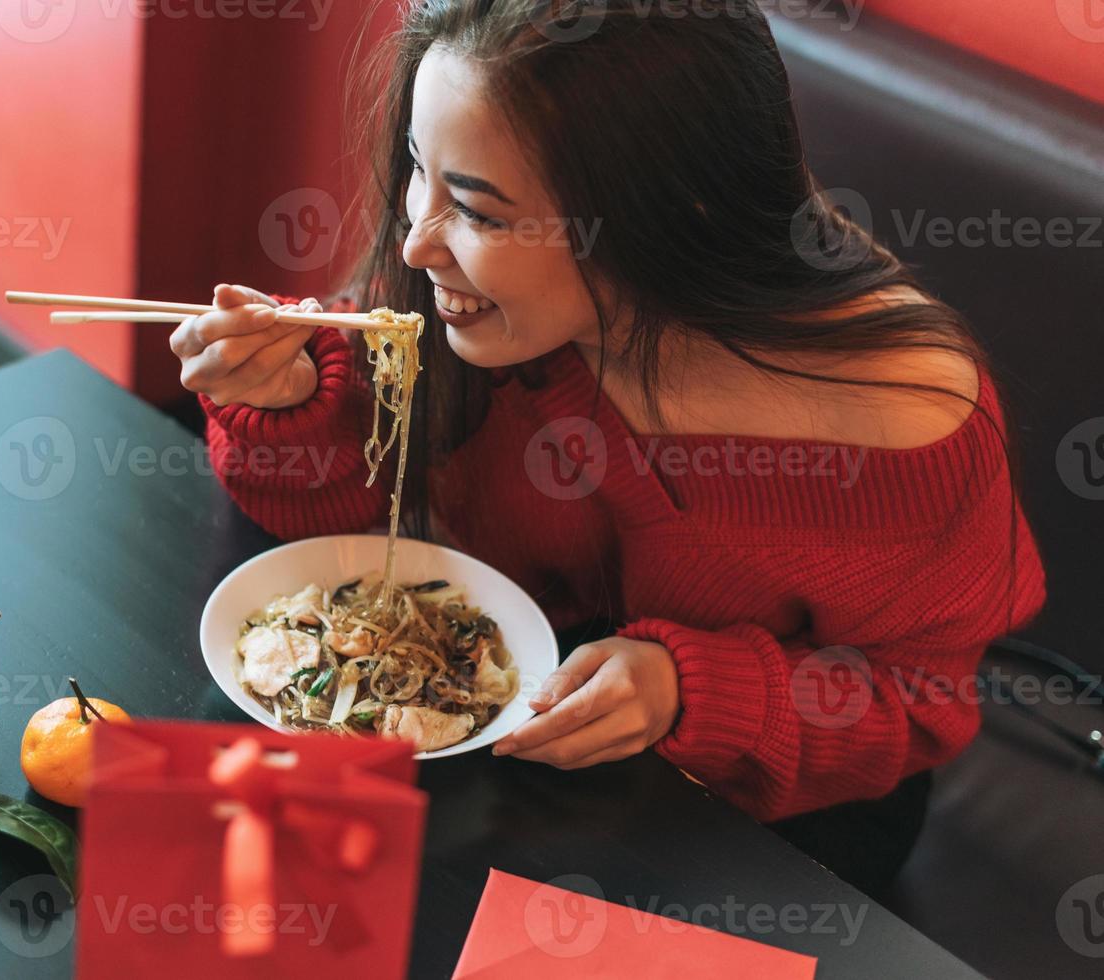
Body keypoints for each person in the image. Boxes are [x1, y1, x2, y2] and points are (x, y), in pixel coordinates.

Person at [168, 0, 1045, 894]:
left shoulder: (900, 408)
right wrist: (292, 405)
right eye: (419, 170)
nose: (416, 238)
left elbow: (917, 703)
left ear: (668, 213)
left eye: (479, 212)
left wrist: (689, 690)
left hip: (765, 815)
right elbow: (356, 540)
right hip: (500, 736)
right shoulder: (461, 299)